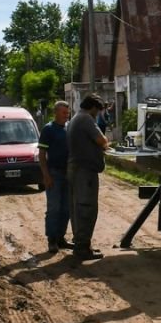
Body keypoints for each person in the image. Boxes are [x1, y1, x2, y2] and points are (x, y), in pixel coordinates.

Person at [67, 93, 110, 261]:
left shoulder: (76, 118)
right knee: (86, 209)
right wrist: (106, 144)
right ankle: (82, 248)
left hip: (76, 168)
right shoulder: (86, 119)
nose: (99, 114)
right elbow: (102, 140)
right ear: (93, 107)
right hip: (85, 172)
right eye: (98, 110)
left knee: (77, 209)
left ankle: (81, 245)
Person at [37, 100, 72, 254]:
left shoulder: (69, 128)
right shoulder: (48, 130)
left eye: (68, 112)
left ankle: (61, 238)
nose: (66, 115)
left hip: (69, 174)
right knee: (54, 208)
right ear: (55, 113)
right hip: (54, 174)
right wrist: (46, 175)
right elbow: (42, 154)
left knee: (66, 208)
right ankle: (52, 240)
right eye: (63, 112)